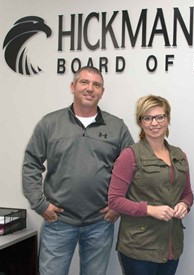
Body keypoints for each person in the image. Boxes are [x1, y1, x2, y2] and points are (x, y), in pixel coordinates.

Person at [22, 66, 134, 275]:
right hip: (58, 222)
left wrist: (119, 205)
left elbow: (131, 169)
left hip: (100, 222)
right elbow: (31, 163)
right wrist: (40, 204)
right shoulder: (50, 123)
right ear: (73, 86)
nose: (90, 88)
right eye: (84, 82)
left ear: (102, 91)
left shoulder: (116, 126)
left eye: (96, 85)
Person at [108, 95, 194, 275]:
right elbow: (114, 201)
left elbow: (187, 193)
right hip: (140, 248)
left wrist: (184, 204)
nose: (154, 123)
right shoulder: (130, 155)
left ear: (168, 119)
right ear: (140, 122)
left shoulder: (179, 155)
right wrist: (149, 210)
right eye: (147, 118)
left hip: (171, 246)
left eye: (160, 117)